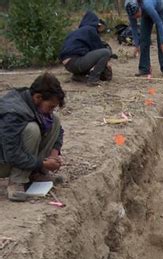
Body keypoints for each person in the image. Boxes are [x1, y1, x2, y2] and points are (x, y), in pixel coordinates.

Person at [0, 73, 65, 202]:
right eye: (50, 106)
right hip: (3, 161)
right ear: (38, 97)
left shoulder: (32, 102)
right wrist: (43, 163)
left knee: (55, 121)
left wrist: (54, 154)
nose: (51, 110)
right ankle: (16, 182)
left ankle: (35, 175)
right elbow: (12, 154)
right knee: (32, 129)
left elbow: (59, 131)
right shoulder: (13, 113)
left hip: (13, 157)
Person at [59, 11, 113, 87]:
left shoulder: (77, 32)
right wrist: (106, 63)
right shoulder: (91, 30)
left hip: (68, 64)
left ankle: (78, 76)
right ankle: (93, 79)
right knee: (106, 52)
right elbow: (99, 49)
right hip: (75, 62)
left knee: (86, 54)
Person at [136, 0, 163, 79]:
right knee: (143, 39)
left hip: (160, 11)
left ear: (139, 9)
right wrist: (136, 44)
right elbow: (133, 27)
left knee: (161, 39)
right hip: (145, 12)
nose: (136, 18)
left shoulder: (148, 6)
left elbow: (159, 23)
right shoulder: (130, 6)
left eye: (137, 15)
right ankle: (144, 68)